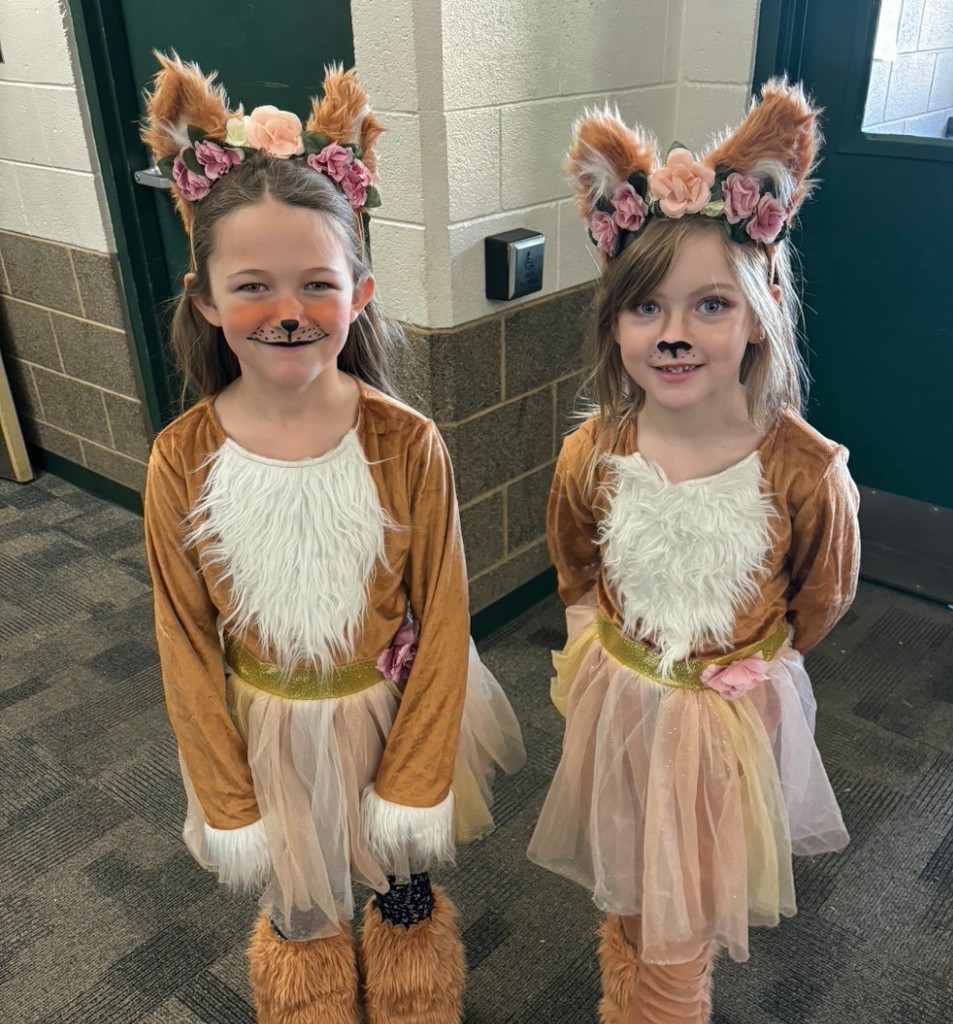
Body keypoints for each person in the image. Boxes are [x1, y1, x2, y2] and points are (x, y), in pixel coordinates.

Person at [139, 54, 524, 1024]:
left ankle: (413, 1003)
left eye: (315, 283)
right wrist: (228, 798)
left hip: (391, 714)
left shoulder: (405, 443)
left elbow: (441, 613)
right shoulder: (179, 458)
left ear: (357, 294)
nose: (285, 311)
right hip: (262, 729)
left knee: (399, 888)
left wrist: (417, 771)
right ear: (205, 300)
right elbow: (183, 639)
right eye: (252, 285)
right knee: (303, 908)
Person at [527, 80, 860, 1024]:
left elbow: (820, 597)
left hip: (721, 730)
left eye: (710, 305)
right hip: (621, 698)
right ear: (616, 322)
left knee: (682, 940)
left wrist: (757, 671)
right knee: (632, 894)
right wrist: (595, 643)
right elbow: (576, 562)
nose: (673, 334)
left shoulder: (803, 471)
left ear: (760, 312)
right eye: (646, 311)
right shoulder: (595, 452)